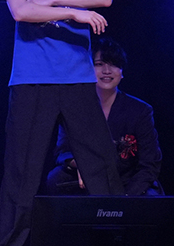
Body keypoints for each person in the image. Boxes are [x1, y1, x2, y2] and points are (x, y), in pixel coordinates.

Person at [0, 0, 123, 246]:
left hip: (77, 78)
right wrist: (75, 12)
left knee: (100, 164)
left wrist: (54, 0)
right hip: (31, 79)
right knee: (22, 167)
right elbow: (21, 10)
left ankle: (114, 244)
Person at [47, 37, 162, 196]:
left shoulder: (140, 111)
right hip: (87, 176)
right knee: (55, 178)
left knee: (149, 195)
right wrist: (81, 165)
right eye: (99, 64)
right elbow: (63, 152)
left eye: (114, 64)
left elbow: (150, 163)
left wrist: (126, 198)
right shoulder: (74, 109)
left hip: (128, 179)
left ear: (122, 72)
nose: (107, 71)